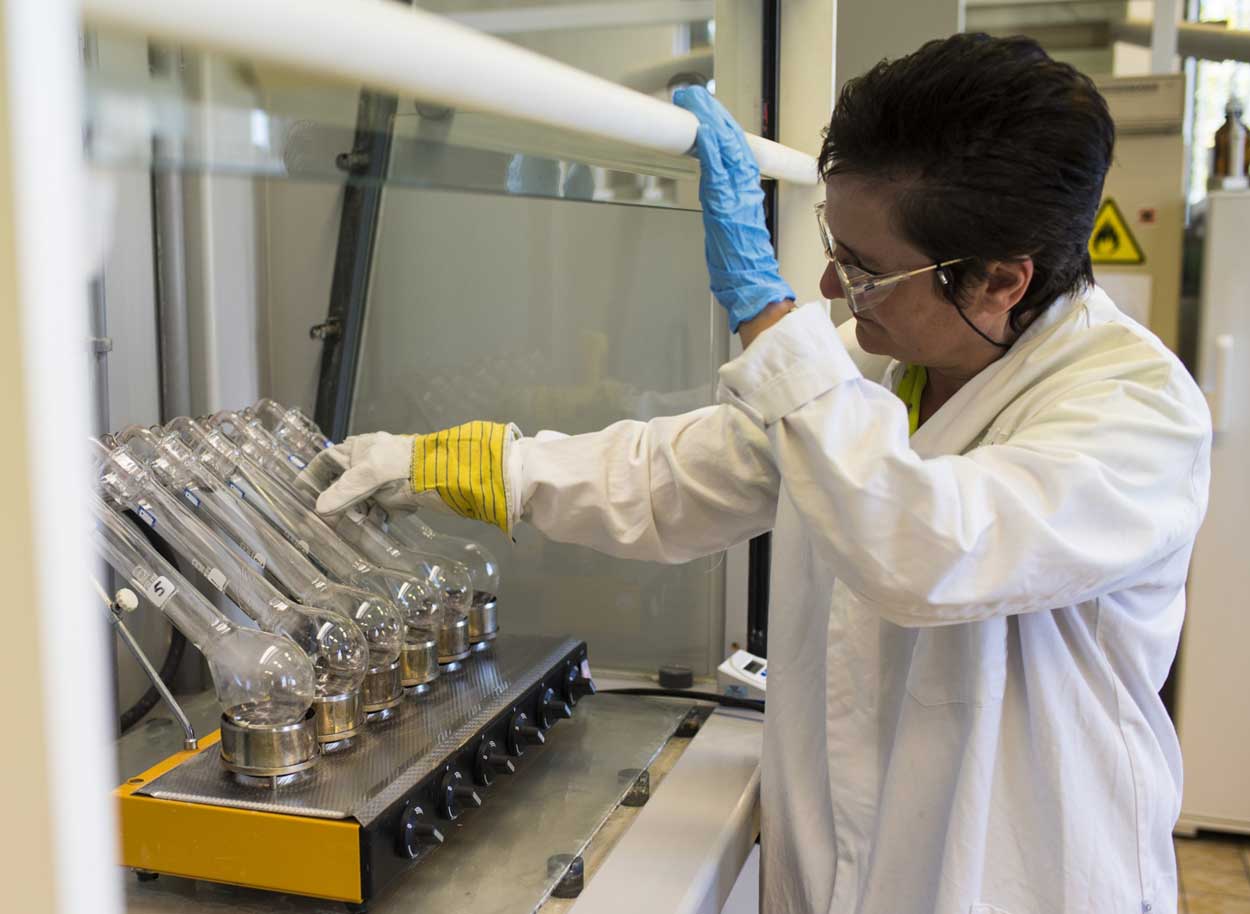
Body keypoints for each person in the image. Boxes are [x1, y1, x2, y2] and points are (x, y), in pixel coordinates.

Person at [307, 34, 1211, 914]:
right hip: (842, 869)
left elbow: (926, 551)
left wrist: (765, 313)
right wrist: (454, 464)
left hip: (1019, 881)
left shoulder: (1136, 413)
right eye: (833, 247)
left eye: (866, 270)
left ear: (1001, 282)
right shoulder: (877, 369)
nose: (831, 290)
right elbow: (676, 475)